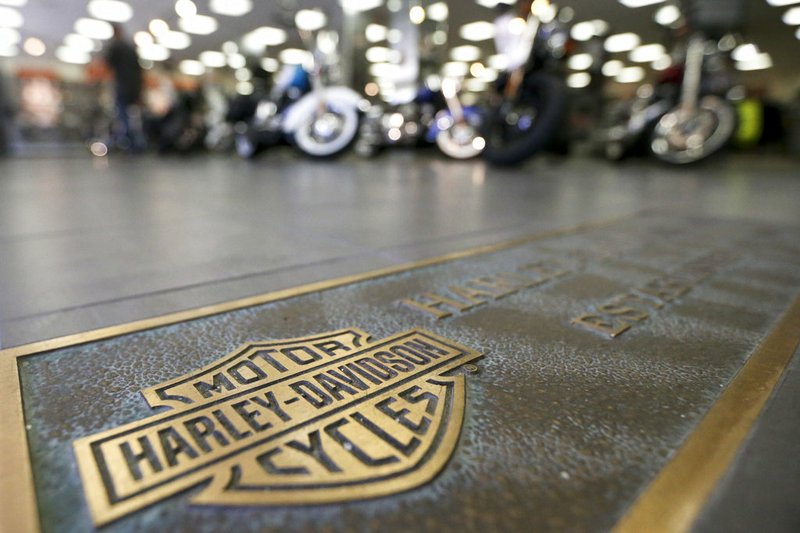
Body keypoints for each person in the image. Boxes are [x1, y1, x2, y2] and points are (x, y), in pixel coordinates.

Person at [104, 24, 144, 151]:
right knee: (135, 117)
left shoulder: (116, 47)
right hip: (134, 88)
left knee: (123, 117)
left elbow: (108, 62)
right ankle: (138, 144)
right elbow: (139, 70)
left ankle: (128, 143)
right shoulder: (131, 48)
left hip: (123, 87)